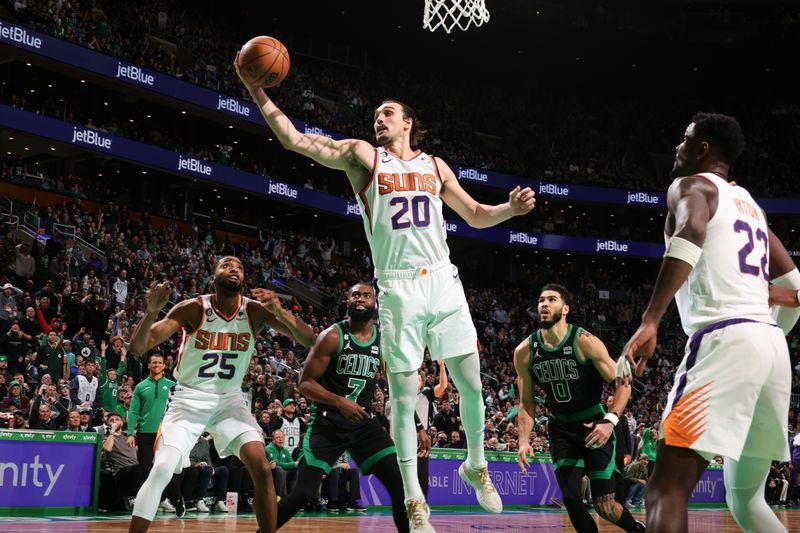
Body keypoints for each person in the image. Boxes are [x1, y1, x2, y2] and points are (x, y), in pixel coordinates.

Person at [236, 58, 536, 533]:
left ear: (409, 122)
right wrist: (256, 90)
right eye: (376, 113)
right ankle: (415, 500)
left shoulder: (436, 166)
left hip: (442, 277)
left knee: (472, 382)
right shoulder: (363, 156)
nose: (379, 118)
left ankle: (476, 465)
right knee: (403, 394)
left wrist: (511, 210)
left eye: (388, 112)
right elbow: (295, 140)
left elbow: (476, 215)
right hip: (396, 284)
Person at [621, 112, 800, 533]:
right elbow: (795, 287)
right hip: (772, 348)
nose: (677, 147)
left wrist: (651, 320)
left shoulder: (692, 185)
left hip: (727, 337)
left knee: (664, 490)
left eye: (685, 140)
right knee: (745, 500)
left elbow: (692, 229)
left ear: (703, 149)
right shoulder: (752, 207)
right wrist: (764, 320)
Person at [127, 256, 315, 533]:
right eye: (227, 266)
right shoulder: (193, 308)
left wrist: (280, 310)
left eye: (239, 267)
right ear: (213, 278)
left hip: (229, 400)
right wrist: (152, 312)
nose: (234, 269)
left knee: (263, 469)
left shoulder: (253, 311)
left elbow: (309, 339)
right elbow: (138, 347)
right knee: (162, 469)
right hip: (189, 398)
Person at [276, 282, 408, 532]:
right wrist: (340, 401)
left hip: (362, 425)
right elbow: (305, 383)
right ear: (347, 301)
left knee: (400, 486)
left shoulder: (384, 341)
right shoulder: (333, 336)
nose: (361, 299)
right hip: (327, 423)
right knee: (303, 493)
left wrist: (419, 425)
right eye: (355, 295)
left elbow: (400, 387)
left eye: (367, 295)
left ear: (375, 303)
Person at [514, 284, 644, 533]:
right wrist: (523, 440)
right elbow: (526, 402)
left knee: (605, 506)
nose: (544, 304)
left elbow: (624, 385)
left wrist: (610, 421)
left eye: (552, 299)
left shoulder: (584, 341)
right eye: (541, 299)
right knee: (572, 500)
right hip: (561, 426)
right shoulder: (524, 352)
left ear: (565, 309)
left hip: (595, 424)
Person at [127, 353, 179, 514]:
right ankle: (147, 502)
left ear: (164, 366)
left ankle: (163, 499)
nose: (157, 365)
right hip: (145, 433)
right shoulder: (141, 386)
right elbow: (134, 411)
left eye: (160, 363)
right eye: (154, 362)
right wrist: (130, 433)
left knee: (164, 468)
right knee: (146, 469)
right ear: (148, 365)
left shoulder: (172, 386)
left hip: (166, 433)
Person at [265, 429, 297, 499]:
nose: (280, 440)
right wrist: (293, 464)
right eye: (278, 438)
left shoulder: (285, 450)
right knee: (279, 469)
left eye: (282, 437)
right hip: (271, 475)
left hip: (283, 475)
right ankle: (280, 497)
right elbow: (276, 463)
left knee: (295, 471)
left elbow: (291, 463)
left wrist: (296, 465)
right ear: (273, 440)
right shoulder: (269, 449)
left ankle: (293, 498)